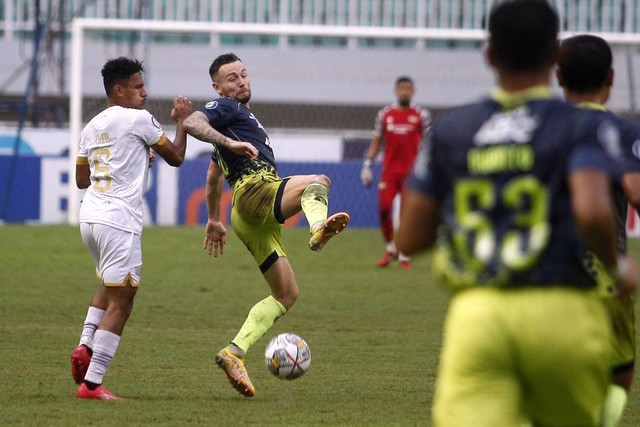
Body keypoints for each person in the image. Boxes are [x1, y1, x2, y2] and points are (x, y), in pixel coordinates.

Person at [395, 1, 639, 426]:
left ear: (490, 56)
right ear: (553, 59)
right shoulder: (581, 126)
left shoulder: (454, 130)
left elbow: (409, 238)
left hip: (478, 313)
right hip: (563, 308)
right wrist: (616, 265)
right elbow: (591, 207)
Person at [182, 52, 349, 397]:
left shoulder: (233, 122)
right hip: (255, 194)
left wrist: (214, 218)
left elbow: (213, 176)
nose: (241, 82)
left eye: (243, 75)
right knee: (317, 182)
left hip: (246, 218)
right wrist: (230, 142)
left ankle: (234, 352)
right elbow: (191, 123)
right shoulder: (228, 109)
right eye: (232, 78)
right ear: (218, 87)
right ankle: (318, 229)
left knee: (286, 294)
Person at [70, 57, 192, 400]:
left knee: (110, 289)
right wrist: (180, 122)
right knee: (123, 302)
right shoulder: (140, 120)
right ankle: (92, 383)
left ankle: (85, 347)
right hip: (119, 221)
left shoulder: (91, 126)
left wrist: (132, 159)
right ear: (119, 90)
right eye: (138, 87)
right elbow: (177, 156)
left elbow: (82, 180)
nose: (145, 92)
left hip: (90, 218)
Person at [556, 33, 640, 427]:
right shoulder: (620, 134)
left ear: (559, 77)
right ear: (611, 76)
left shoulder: (541, 129)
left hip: (543, 273)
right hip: (607, 273)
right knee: (618, 371)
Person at [360, 76, 431, 269]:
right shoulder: (385, 114)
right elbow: (377, 140)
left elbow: (429, 144)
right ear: (396, 90)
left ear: (413, 91)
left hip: (411, 173)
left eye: (408, 88)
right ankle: (391, 249)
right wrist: (367, 163)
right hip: (389, 173)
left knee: (406, 215)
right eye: (402, 88)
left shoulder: (421, 115)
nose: (405, 92)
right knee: (384, 208)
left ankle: (405, 255)